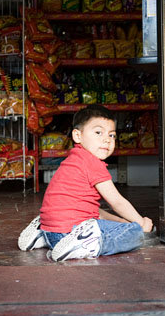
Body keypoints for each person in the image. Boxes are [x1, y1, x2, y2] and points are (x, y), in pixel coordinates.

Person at [18, 105, 153, 261]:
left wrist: (121, 222)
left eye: (112, 135)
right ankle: (85, 244)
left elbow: (93, 212)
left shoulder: (74, 160)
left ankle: (40, 234)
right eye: (98, 132)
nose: (106, 140)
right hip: (69, 232)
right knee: (134, 234)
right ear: (77, 136)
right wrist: (141, 223)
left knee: (120, 226)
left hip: (53, 232)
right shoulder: (93, 164)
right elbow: (117, 202)